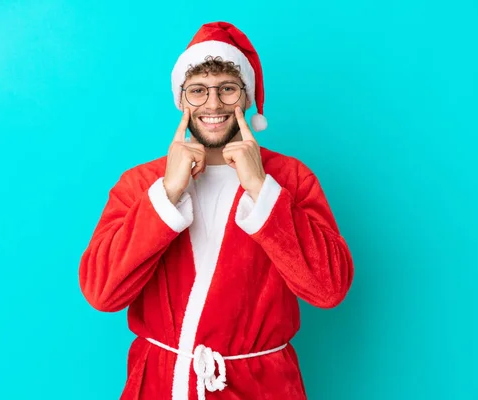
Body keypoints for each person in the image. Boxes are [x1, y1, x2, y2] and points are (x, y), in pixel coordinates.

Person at [79, 21, 354, 400]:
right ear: (181, 100)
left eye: (227, 88)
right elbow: (101, 292)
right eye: (198, 91)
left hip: (263, 388)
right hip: (161, 385)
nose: (212, 104)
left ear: (245, 98)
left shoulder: (290, 178)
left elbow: (329, 289)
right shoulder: (142, 183)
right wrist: (168, 192)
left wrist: (261, 188)